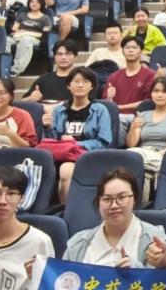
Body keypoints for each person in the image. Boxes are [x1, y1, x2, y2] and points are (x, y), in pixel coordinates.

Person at [64, 168, 166, 266]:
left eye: (122, 197)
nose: (114, 205)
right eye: (107, 199)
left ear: (134, 199)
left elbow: (160, 278)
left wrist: (135, 271)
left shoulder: (154, 239)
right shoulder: (77, 243)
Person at [39, 67, 113, 202]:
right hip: (61, 155)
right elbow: (51, 142)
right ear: (69, 85)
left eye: (85, 82)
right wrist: (48, 127)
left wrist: (73, 143)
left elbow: (103, 142)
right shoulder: (59, 110)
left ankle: (66, 209)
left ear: (92, 86)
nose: (80, 85)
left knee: (66, 169)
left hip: (88, 155)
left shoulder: (100, 110)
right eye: (76, 81)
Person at [126, 76, 166, 191]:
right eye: (156, 91)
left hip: (163, 155)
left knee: (133, 161)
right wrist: (133, 128)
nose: (159, 95)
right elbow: (131, 144)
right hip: (141, 154)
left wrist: (156, 154)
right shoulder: (142, 115)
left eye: (164, 92)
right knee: (136, 163)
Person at [8, 0, 51, 77]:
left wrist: (27, 33)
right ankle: (3, 66)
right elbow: (14, 28)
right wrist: (21, 32)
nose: (34, 4)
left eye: (37, 2)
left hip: (34, 38)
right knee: (6, 40)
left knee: (26, 40)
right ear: (29, 3)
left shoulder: (45, 18)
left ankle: (15, 70)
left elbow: (45, 33)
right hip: (19, 35)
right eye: (32, 2)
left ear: (42, 4)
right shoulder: (22, 15)